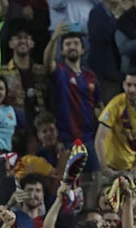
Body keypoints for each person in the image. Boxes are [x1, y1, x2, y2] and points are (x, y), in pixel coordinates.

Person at [44, 25, 101, 169]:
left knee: (95, 180)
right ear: (62, 51)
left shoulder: (90, 76)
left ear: (82, 50)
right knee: (68, 182)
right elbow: (48, 63)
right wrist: (54, 39)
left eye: (76, 44)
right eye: (68, 44)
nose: (72, 47)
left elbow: (98, 105)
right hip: (67, 141)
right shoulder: (60, 72)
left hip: (89, 140)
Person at [95, 71, 136, 174]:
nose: (132, 90)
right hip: (111, 165)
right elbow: (100, 138)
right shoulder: (115, 105)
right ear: (123, 85)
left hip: (131, 166)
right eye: (129, 85)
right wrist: (104, 168)